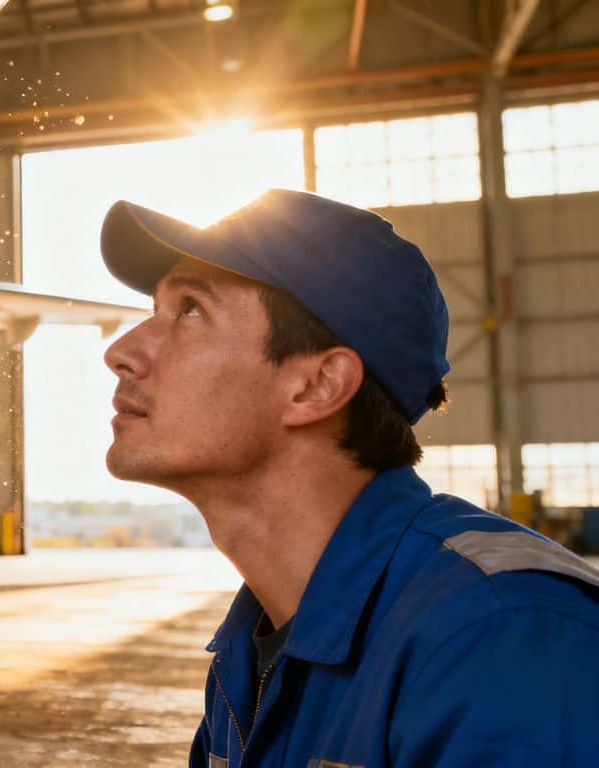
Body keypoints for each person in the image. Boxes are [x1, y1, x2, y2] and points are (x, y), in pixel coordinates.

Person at [98, 189, 599, 767]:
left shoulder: (503, 640)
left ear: (317, 386)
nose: (121, 350)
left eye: (189, 310)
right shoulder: (250, 655)